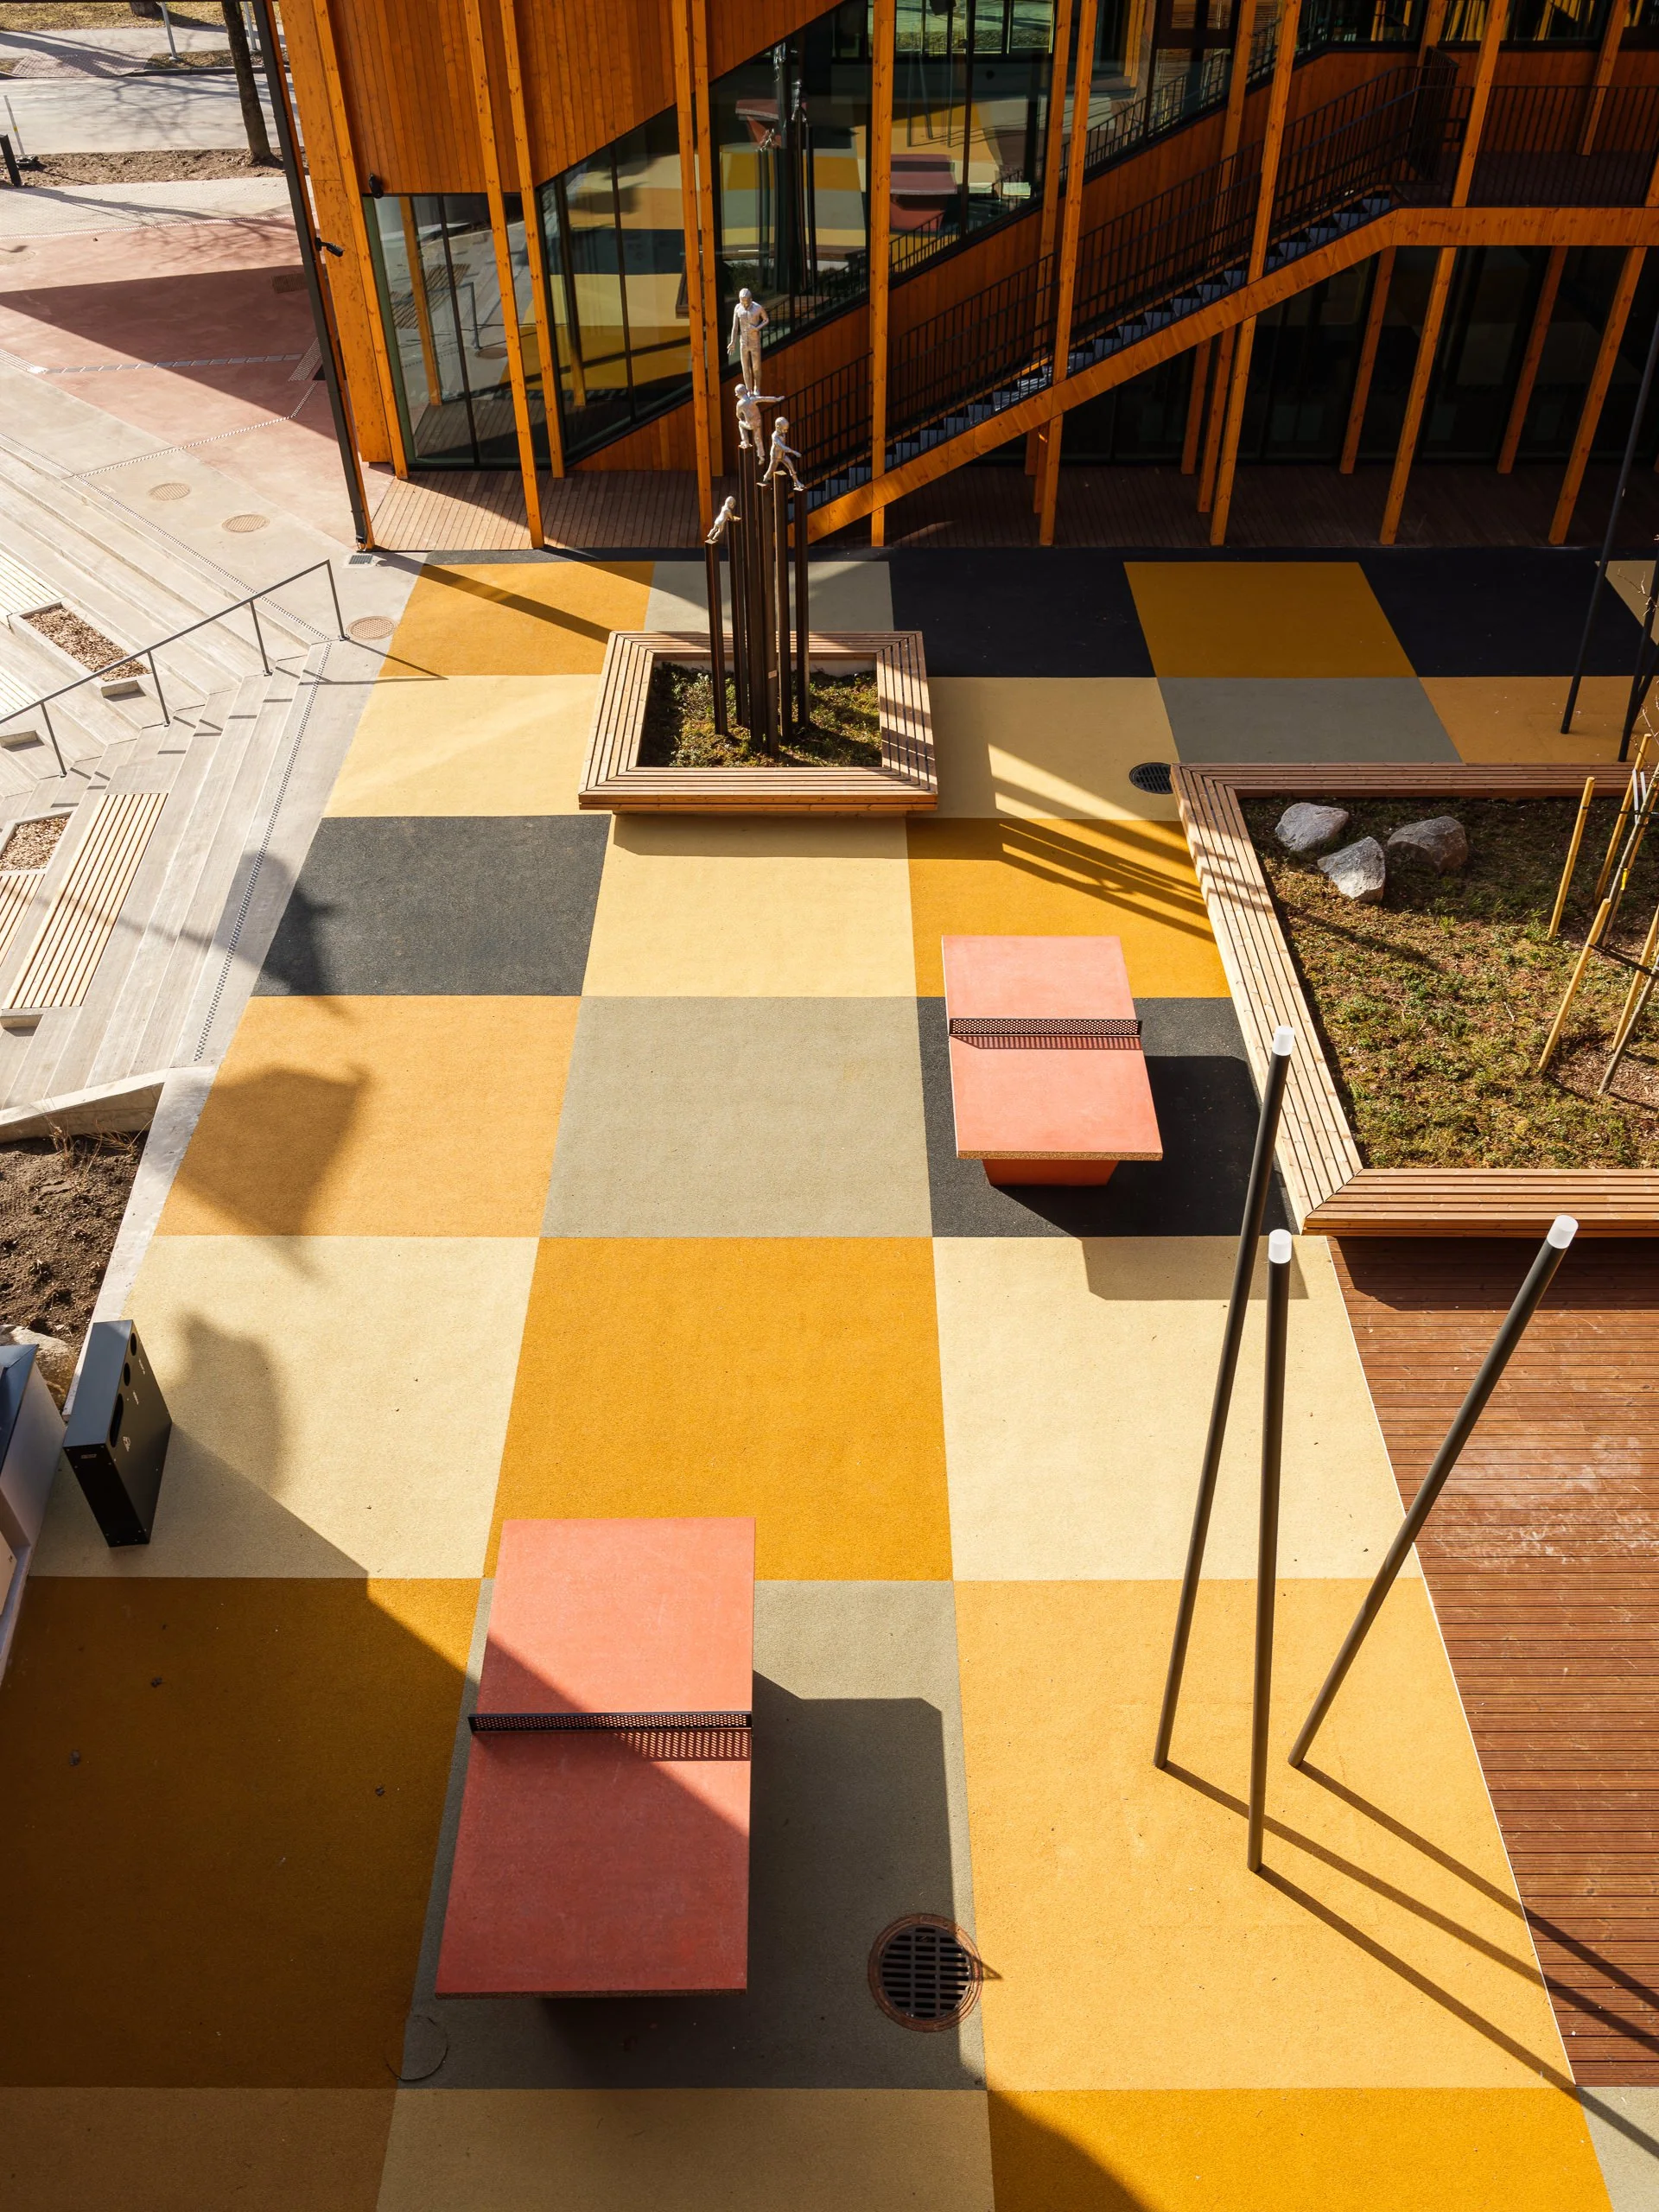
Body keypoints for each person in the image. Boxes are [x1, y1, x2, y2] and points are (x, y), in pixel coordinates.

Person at [728, 288, 769, 391]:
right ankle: (748, 390)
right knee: (745, 368)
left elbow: (766, 319)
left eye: (746, 301)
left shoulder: (758, 307)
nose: (744, 304)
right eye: (742, 301)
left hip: (755, 342)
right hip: (743, 343)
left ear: (751, 299)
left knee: (756, 367)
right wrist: (733, 342)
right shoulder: (737, 308)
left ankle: (757, 388)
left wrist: (756, 328)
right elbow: (735, 326)